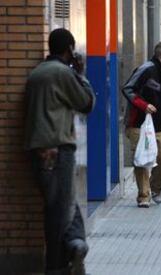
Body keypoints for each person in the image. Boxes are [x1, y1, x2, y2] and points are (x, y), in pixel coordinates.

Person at [24, 28, 95, 275]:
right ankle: (57, 265)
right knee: (59, 211)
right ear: (70, 49)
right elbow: (86, 102)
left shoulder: (37, 73)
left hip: (37, 150)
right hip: (58, 150)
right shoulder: (62, 73)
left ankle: (76, 245)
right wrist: (81, 73)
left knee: (63, 203)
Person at [122, 41, 161, 208]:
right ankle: (143, 196)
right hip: (137, 124)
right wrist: (144, 106)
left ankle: (155, 188)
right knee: (142, 160)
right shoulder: (145, 69)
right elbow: (128, 88)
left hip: (159, 127)